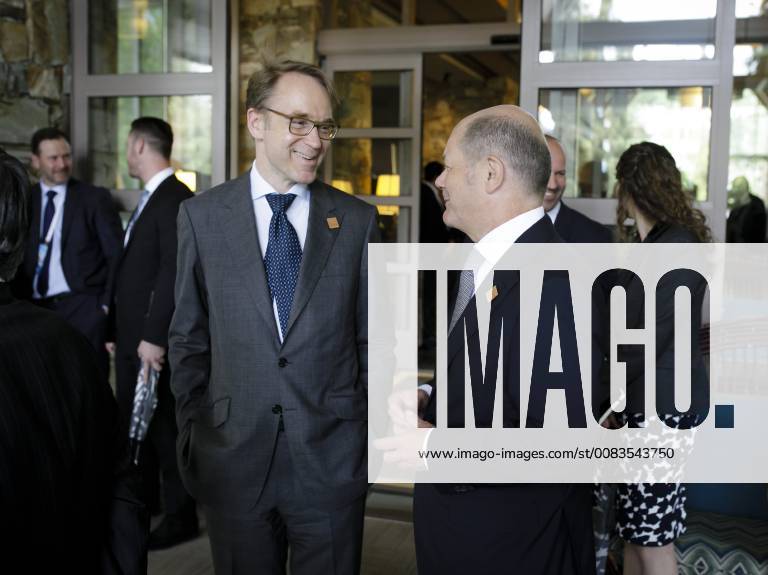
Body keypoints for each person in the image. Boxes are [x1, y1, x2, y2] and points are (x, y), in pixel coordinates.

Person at [169, 60, 378, 575]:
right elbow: (188, 340)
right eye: (300, 122)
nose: (315, 141)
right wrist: (196, 432)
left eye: (324, 126)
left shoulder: (356, 221)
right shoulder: (201, 217)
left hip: (331, 460)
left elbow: (375, 341)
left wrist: (365, 439)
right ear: (256, 122)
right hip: (232, 458)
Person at [413, 106, 596, 574]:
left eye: (450, 165)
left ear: (491, 173)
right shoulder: (485, 260)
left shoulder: (551, 277)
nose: (440, 180)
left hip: (513, 549)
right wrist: (432, 396)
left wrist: (432, 445)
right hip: (472, 537)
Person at [0, 149, 147, 573]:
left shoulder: (69, 345)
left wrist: (103, 313)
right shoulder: (66, 346)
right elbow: (121, 489)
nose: (62, 163)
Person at [611, 141, 710, 575]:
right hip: (653, 408)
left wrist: (607, 398)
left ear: (629, 191)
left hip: (658, 415)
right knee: (638, 534)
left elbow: (646, 339)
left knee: (653, 542)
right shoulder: (662, 243)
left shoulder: (674, 246)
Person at [107, 117, 197, 549]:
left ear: (138, 145)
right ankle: (152, 506)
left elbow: (173, 271)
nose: (127, 154)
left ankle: (180, 517)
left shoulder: (175, 198)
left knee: (163, 429)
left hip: (150, 343)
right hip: (132, 339)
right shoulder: (154, 198)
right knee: (140, 427)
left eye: (128, 146)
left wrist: (154, 336)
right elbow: (134, 270)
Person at [11, 127, 123, 377]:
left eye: (66, 156)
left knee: (87, 381)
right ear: (36, 161)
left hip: (82, 307)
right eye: (53, 158)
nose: (62, 164)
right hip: (33, 308)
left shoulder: (93, 199)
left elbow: (116, 255)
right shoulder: (25, 199)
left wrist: (104, 308)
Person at [544, 135, 613, 243]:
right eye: (545, 172)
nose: (552, 185)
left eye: (560, 173)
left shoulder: (597, 238)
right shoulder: (509, 225)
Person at [725, 175, 766, 242]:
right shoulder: (736, 205)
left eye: (738, 187)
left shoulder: (757, 204)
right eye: (734, 187)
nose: (735, 190)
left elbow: (760, 231)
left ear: (745, 187)